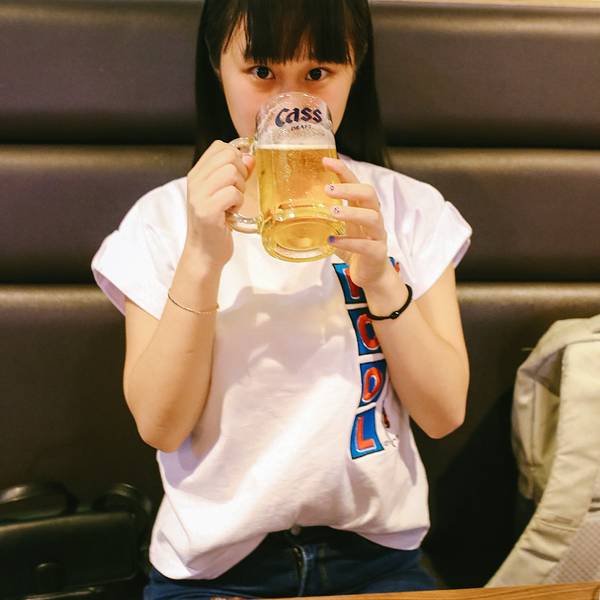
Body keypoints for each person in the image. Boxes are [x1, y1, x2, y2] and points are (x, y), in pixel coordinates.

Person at [92, 0, 472, 597]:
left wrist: (380, 277)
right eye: (262, 72)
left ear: (355, 70)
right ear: (218, 67)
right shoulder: (161, 220)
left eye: (318, 73)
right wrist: (200, 260)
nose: (290, 103)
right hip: (215, 572)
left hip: (375, 562)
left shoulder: (408, 209)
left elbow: (444, 412)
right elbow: (161, 426)